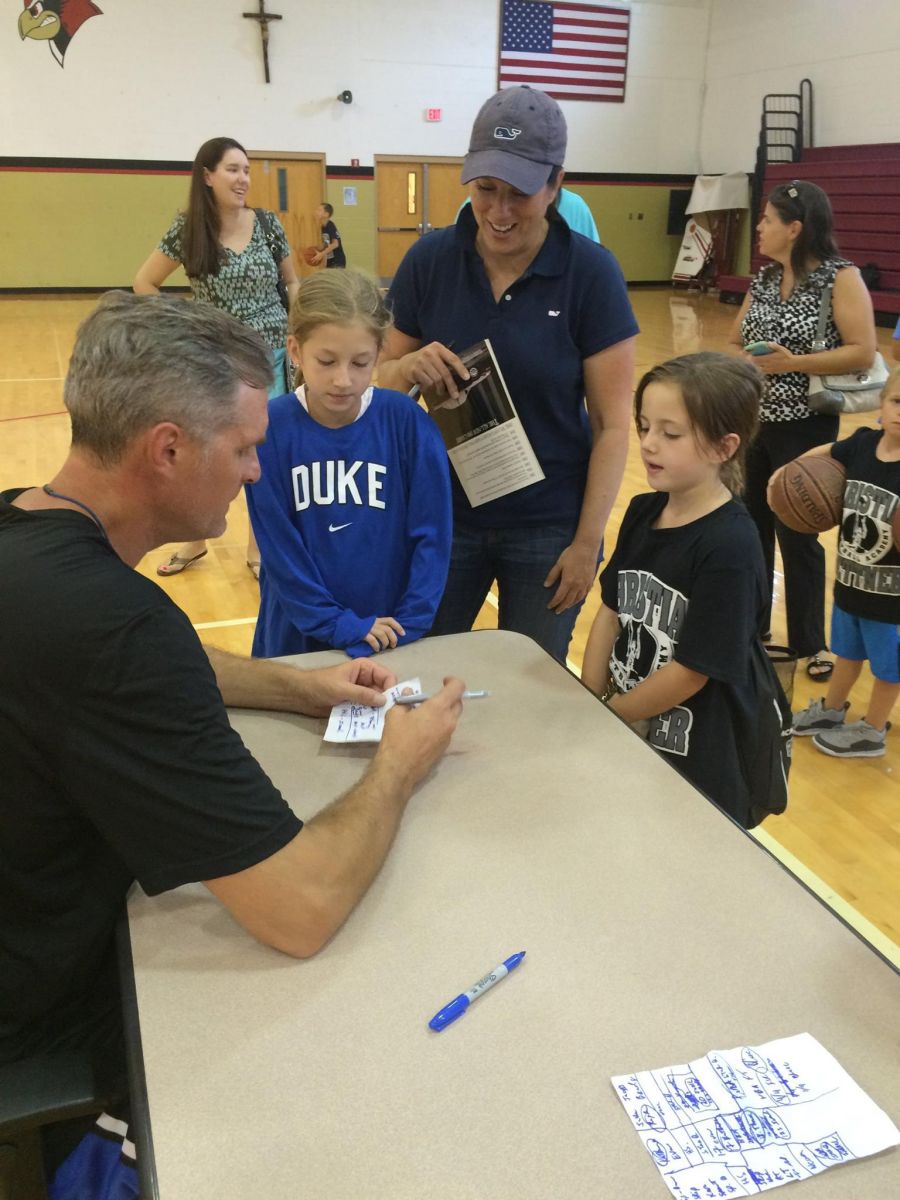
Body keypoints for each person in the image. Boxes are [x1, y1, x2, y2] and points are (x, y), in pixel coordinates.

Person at [0, 294, 464, 1171]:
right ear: (168, 449)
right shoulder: (116, 632)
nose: (257, 472)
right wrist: (398, 762)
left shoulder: (25, 529)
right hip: (38, 1013)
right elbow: (300, 906)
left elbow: (139, 667)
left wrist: (298, 688)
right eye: (245, 449)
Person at [379, 85, 638, 663]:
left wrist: (587, 543)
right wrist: (406, 366)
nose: (498, 212)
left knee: (531, 690)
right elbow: (379, 385)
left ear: (555, 184)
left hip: (548, 530)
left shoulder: (591, 275)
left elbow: (613, 426)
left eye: (519, 193)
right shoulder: (430, 262)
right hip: (442, 517)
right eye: (485, 190)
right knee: (421, 667)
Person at [581, 353, 768, 827]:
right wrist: (587, 698)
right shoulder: (644, 511)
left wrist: (612, 715)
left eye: (670, 433)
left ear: (725, 446)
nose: (647, 444)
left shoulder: (731, 545)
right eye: (644, 427)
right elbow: (610, 611)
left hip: (694, 762)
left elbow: (692, 672)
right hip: (627, 730)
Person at [247, 268, 452, 658]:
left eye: (360, 363)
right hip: (297, 635)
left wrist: (408, 625)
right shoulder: (268, 429)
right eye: (326, 361)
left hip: (387, 633)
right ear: (294, 351)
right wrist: (337, 624)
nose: (343, 379)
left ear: (379, 353)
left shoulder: (407, 424)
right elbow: (280, 551)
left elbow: (433, 536)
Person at [728, 179, 877, 681]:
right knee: (751, 530)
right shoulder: (765, 279)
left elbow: (861, 349)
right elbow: (736, 335)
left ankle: (813, 644)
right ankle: (753, 630)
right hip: (754, 423)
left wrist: (795, 362)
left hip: (806, 423)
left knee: (799, 530)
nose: (761, 229)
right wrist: (752, 356)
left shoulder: (841, 277)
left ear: (794, 228)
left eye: (768, 221)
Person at [134, 136, 300, 579]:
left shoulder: (267, 224)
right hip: (217, 364)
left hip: (272, 361)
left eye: (246, 170)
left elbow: (294, 285)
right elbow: (144, 283)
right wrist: (187, 327)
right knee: (205, 454)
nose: (243, 178)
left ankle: (257, 549)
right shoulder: (188, 227)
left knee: (260, 457)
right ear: (207, 176)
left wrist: (299, 330)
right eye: (232, 169)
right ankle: (196, 539)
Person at [788, 367, 900, 757]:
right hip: (851, 583)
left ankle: (872, 729)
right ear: (881, 405)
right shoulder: (862, 444)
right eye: (897, 401)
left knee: (889, 668)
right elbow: (825, 453)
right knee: (847, 654)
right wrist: (789, 473)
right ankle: (832, 711)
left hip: (891, 600)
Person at [458, 186, 602, 242]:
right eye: (486, 187)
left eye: (520, 192)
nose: (500, 212)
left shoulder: (574, 207)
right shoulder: (470, 208)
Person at [313, 202, 347, 268]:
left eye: (319, 210)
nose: (316, 212)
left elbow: (335, 244)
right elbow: (327, 244)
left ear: (326, 214)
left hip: (337, 261)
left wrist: (321, 254)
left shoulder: (330, 225)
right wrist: (317, 249)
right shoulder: (322, 227)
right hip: (330, 261)